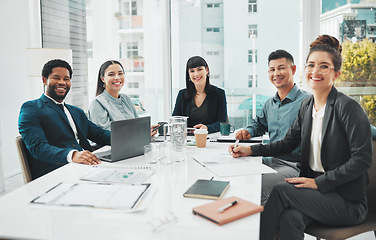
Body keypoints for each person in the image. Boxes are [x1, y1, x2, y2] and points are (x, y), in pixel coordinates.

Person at [229, 35, 372, 240]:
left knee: (280, 191)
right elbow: (287, 143)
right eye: (311, 65)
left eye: (324, 66)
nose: (315, 71)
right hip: (320, 195)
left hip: (347, 202)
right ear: (304, 69)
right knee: (290, 218)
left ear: (336, 74)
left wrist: (320, 183)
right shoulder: (306, 107)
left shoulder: (348, 108)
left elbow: (363, 159)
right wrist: (251, 150)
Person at [236, 49, 310, 205]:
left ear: (293, 69)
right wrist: (247, 131)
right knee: (237, 176)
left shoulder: (307, 101)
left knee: (256, 187)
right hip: (269, 160)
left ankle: (265, 227)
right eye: (272, 69)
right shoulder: (270, 103)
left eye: (281, 68)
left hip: (293, 166)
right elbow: (258, 124)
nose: (276, 73)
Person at [18, 59, 111, 179]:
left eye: (66, 79)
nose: (62, 82)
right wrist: (72, 155)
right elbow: (38, 147)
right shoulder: (31, 108)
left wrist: (128, 139)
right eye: (56, 78)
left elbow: (99, 134)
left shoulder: (76, 111)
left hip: (89, 167)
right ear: (44, 80)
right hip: (58, 173)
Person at [88, 60, 158, 136]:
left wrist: (145, 129)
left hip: (133, 145)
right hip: (111, 147)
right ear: (103, 79)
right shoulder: (97, 103)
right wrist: (140, 133)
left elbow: (137, 125)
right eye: (111, 74)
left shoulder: (126, 99)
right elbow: (105, 136)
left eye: (120, 73)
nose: (117, 77)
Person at [172, 56, 227, 133]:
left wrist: (207, 128)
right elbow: (175, 120)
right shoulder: (182, 94)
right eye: (192, 71)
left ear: (207, 70)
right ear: (188, 74)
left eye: (199, 69)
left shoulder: (219, 94)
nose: (196, 74)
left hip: (210, 138)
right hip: (188, 139)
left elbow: (222, 122)